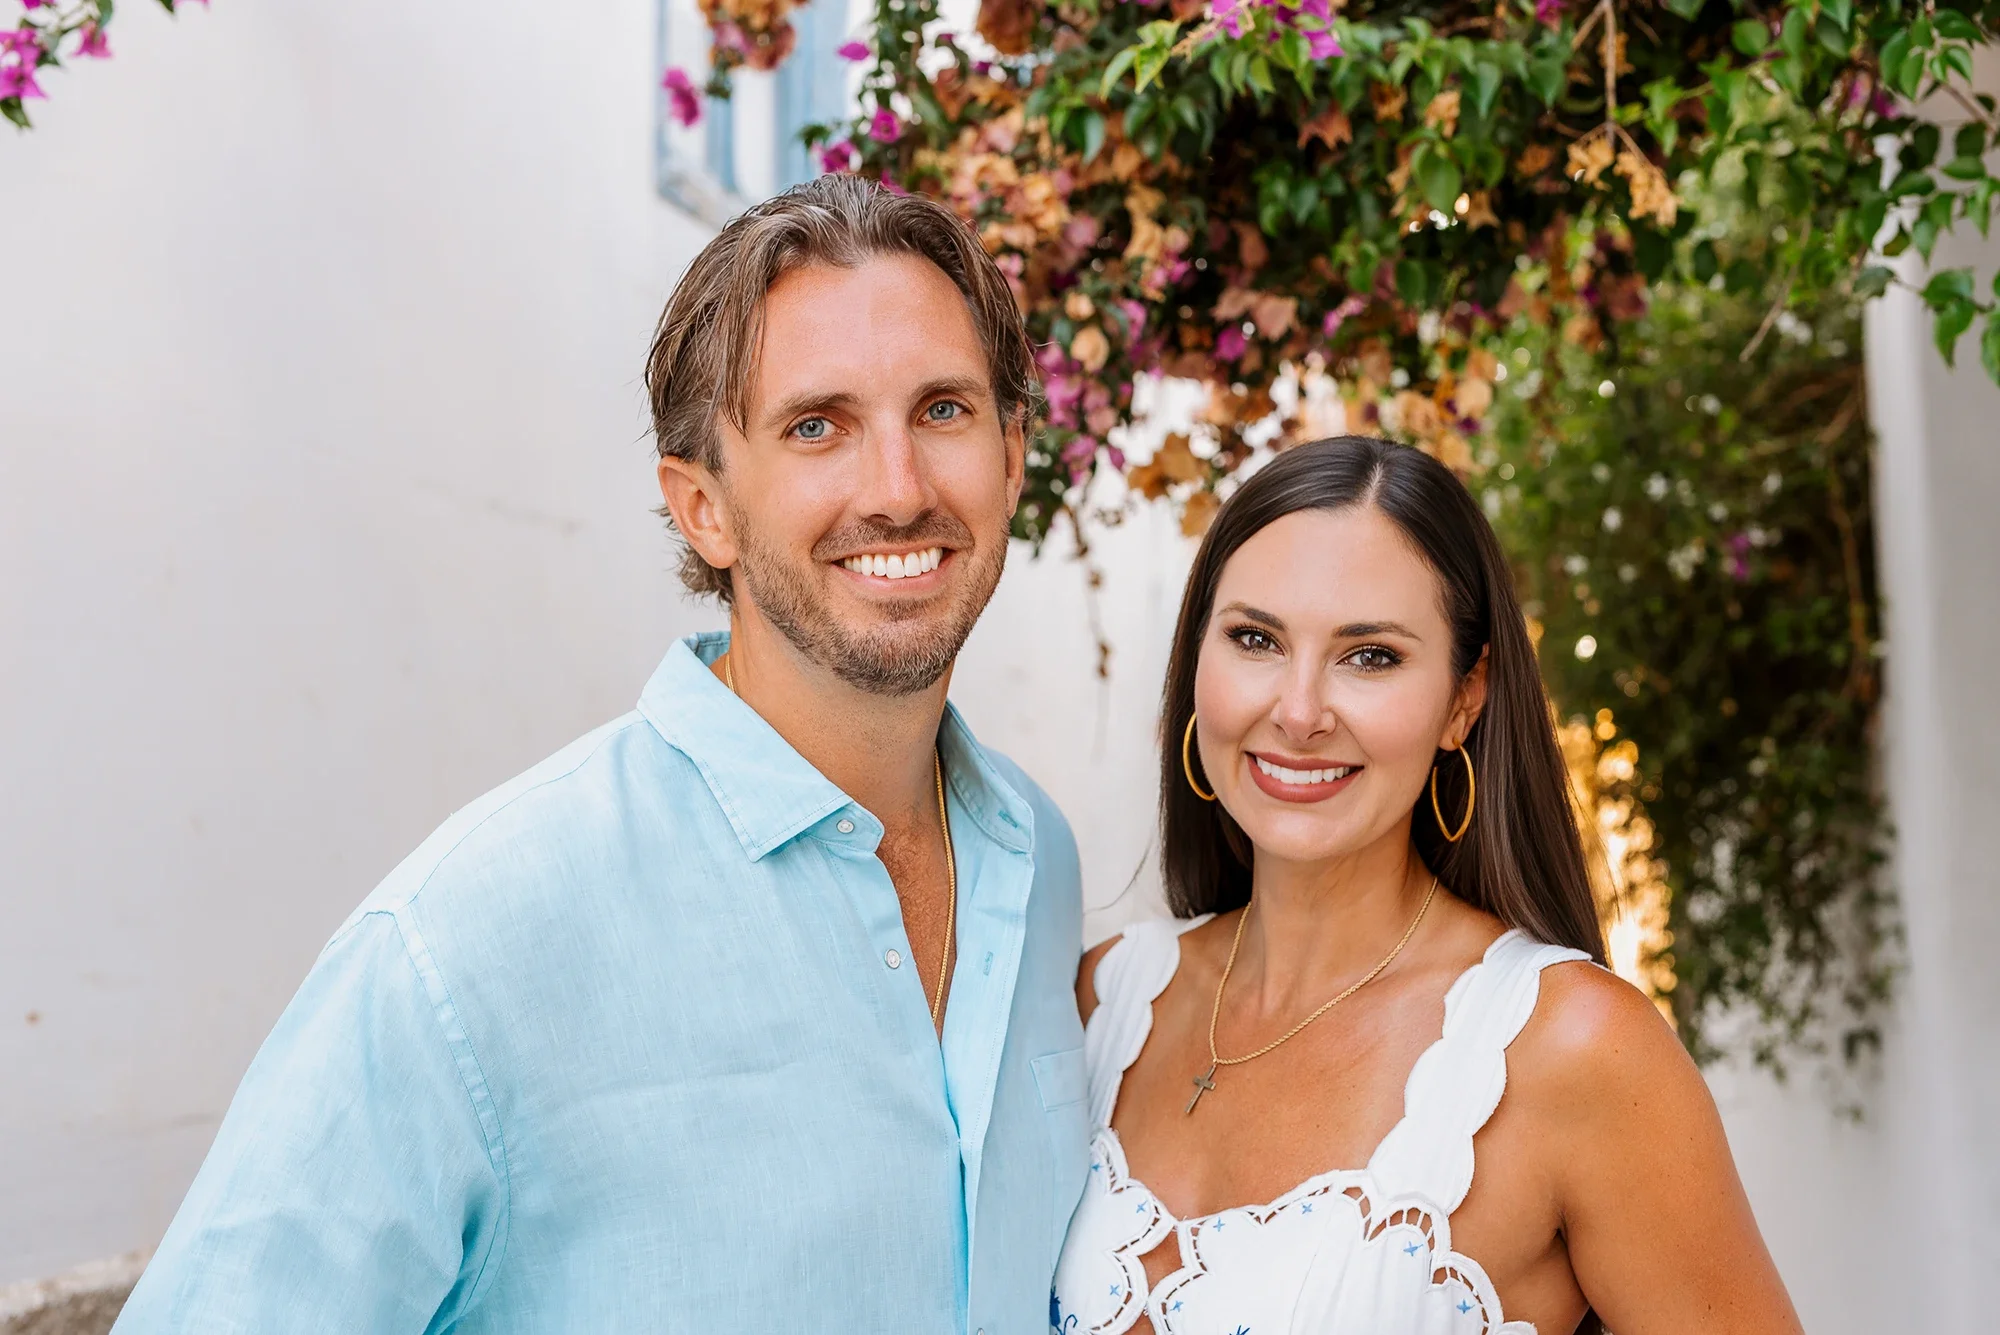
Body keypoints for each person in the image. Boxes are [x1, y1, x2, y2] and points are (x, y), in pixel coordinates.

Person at [113, 175, 1090, 1334]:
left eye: (941, 410)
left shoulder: (1036, 862)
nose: (896, 488)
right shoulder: (465, 944)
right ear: (702, 508)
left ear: (1013, 454)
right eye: (814, 425)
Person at [1052, 436, 1802, 1335]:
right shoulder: (1103, 998)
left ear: (1464, 699)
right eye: (1255, 638)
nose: (1296, 711)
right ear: (1197, 662)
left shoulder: (1573, 1050)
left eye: (1369, 655)